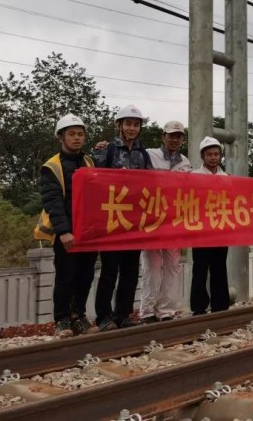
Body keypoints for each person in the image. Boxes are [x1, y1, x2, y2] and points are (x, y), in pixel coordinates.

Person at [92, 104, 152, 331]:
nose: (132, 128)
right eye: (128, 123)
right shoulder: (106, 150)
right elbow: (95, 180)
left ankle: (123, 314)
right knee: (109, 271)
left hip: (134, 223)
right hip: (112, 220)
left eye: (136, 124)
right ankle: (104, 317)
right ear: (119, 125)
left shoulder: (143, 154)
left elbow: (149, 186)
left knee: (130, 271)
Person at [39, 114, 99, 337]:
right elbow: (53, 201)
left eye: (80, 134)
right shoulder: (51, 167)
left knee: (85, 276)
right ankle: (62, 320)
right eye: (71, 134)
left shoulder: (89, 162)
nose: (76, 138)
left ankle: (78, 316)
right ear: (61, 137)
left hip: (88, 232)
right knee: (66, 276)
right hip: (67, 233)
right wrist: (63, 231)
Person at [139, 120, 192, 324]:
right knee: (152, 266)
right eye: (171, 135)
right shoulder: (149, 155)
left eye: (178, 136)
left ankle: (166, 310)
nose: (174, 139)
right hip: (152, 220)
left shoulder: (185, 162)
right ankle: (147, 311)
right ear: (163, 136)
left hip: (174, 222)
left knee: (173, 266)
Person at [190, 137, 230, 315]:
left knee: (219, 268)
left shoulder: (227, 178)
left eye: (216, 154)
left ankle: (220, 305)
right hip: (200, 231)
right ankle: (198, 307)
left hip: (220, 230)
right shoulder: (194, 176)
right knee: (200, 269)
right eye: (209, 154)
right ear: (202, 156)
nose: (213, 158)